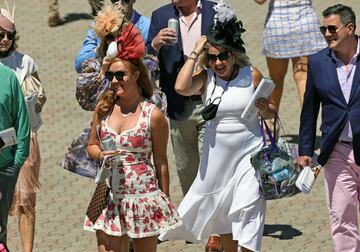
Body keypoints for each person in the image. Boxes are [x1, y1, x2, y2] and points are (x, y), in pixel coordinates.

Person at [159, 1, 276, 251]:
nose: (218, 62)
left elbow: (272, 111)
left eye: (223, 56)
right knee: (223, 219)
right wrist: (195, 54)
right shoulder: (205, 80)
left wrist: (266, 109)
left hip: (249, 154)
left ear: (233, 54)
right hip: (217, 159)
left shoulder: (251, 75)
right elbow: (180, 87)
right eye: (212, 58)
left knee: (248, 206)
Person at [83, 23, 181, 252]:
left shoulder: (152, 115)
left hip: (143, 196)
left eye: (120, 74)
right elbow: (91, 146)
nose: (114, 80)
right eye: (110, 75)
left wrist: (163, 200)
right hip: (110, 192)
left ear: (136, 74)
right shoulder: (103, 108)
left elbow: (161, 160)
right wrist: (100, 153)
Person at [298, 4, 360, 252]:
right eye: (323, 29)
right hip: (337, 152)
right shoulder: (318, 62)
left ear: (350, 28)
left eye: (332, 29)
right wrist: (305, 148)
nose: (327, 34)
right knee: (341, 219)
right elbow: (309, 109)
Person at [146, 0, 216, 196]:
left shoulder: (216, 11)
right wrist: (155, 44)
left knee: (211, 164)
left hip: (210, 100)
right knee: (187, 169)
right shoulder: (160, 15)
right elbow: (144, 59)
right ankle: (194, 218)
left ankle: (214, 216)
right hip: (178, 104)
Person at [0, 7, 47, 252]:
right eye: (0, 35)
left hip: (23, 139)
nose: (5, 40)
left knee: (25, 200)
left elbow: (41, 98)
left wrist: (37, 99)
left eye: (9, 35)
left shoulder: (25, 62)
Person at [254, 0, 326, 109]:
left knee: (276, 78)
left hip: (278, 25)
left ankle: (272, 120)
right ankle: (308, 123)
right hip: (305, 23)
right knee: (303, 78)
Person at [0, 13, 30, 249]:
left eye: (9, 36)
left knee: (0, 227)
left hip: (4, 166)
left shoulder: (9, 78)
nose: (5, 40)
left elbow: (22, 121)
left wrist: (16, 162)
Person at [75, 0, 150, 73]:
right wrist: (100, 49)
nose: (120, 4)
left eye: (125, 0)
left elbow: (155, 69)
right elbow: (79, 66)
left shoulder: (147, 26)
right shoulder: (99, 25)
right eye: (115, 0)